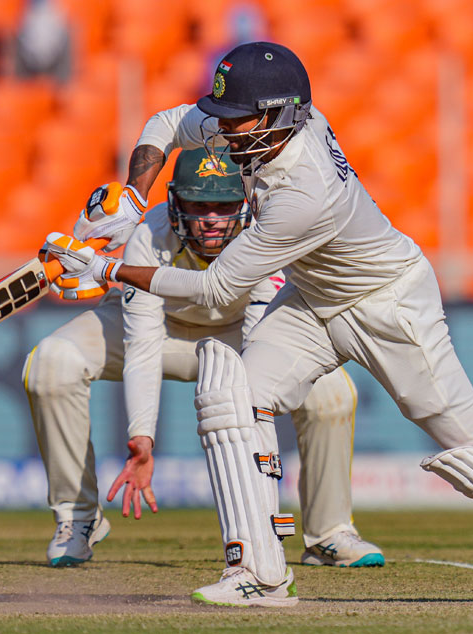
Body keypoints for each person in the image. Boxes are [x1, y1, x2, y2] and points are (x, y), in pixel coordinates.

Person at [42, 42, 473, 607]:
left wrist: (107, 269)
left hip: (388, 303)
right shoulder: (258, 124)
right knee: (232, 392)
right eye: (224, 115)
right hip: (314, 300)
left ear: (278, 116)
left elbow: (216, 290)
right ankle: (258, 573)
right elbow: (165, 123)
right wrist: (133, 196)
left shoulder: (305, 191)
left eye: (237, 119)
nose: (224, 130)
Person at [26, 148, 384, 569]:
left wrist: (250, 441)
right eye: (199, 205)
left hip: (239, 332)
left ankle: (328, 532)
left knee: (331, 394)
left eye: (224, 206)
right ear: (176, 202)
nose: (212, 219)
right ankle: (78, 515)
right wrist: (143, 439)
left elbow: (260, 347)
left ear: (245, 203)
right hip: (159, 331)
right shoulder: (148, 236)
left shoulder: (269, 233)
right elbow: (143, 344)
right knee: (53, 362)